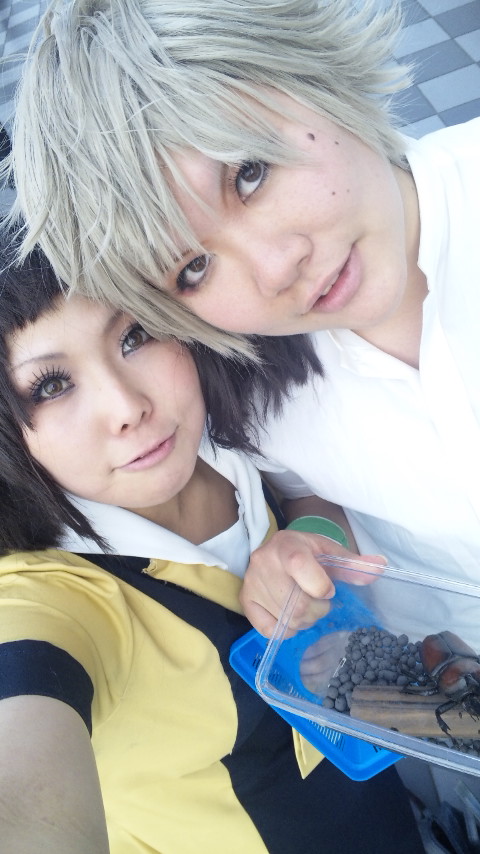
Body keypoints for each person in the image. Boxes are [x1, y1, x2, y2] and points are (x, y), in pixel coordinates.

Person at [5, 1, 479, 628]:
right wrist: (310, 542)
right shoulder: (254, 379)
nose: (276, 268)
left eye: (249, 174)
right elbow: (314, 494)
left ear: (307, 70)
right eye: (193, 268)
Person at [0, 229, 425, 854]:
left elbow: (307, 497)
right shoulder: (50, 597)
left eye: (135, 335)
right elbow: (25, 770)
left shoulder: (237, 438)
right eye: (51, 386)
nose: (127, 406)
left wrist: (311, 536)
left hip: (386, 806)